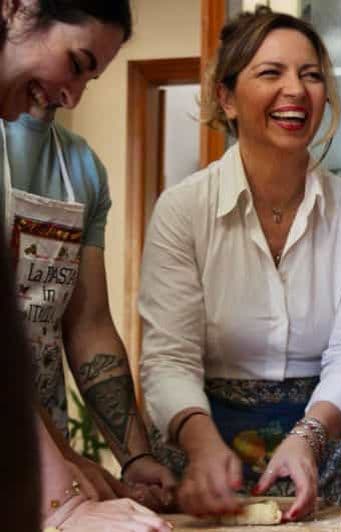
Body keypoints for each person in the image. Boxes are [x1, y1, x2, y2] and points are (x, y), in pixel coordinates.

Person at [138, 6, 341, 521]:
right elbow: (169, 358)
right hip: (204, 459)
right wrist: (204, 446)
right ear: (227, 99)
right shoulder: (182, 210)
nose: (296, 90)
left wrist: (309, 437)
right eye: (271, 73)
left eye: (312, 75)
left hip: (313, 453)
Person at [0, 0, 172, 530]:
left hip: (30, 447)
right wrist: (64, 495)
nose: (72, 95)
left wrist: (129, 457)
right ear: (17, 7)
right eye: (76, 63)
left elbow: (90, 325)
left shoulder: (81, 170)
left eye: (90, 78)